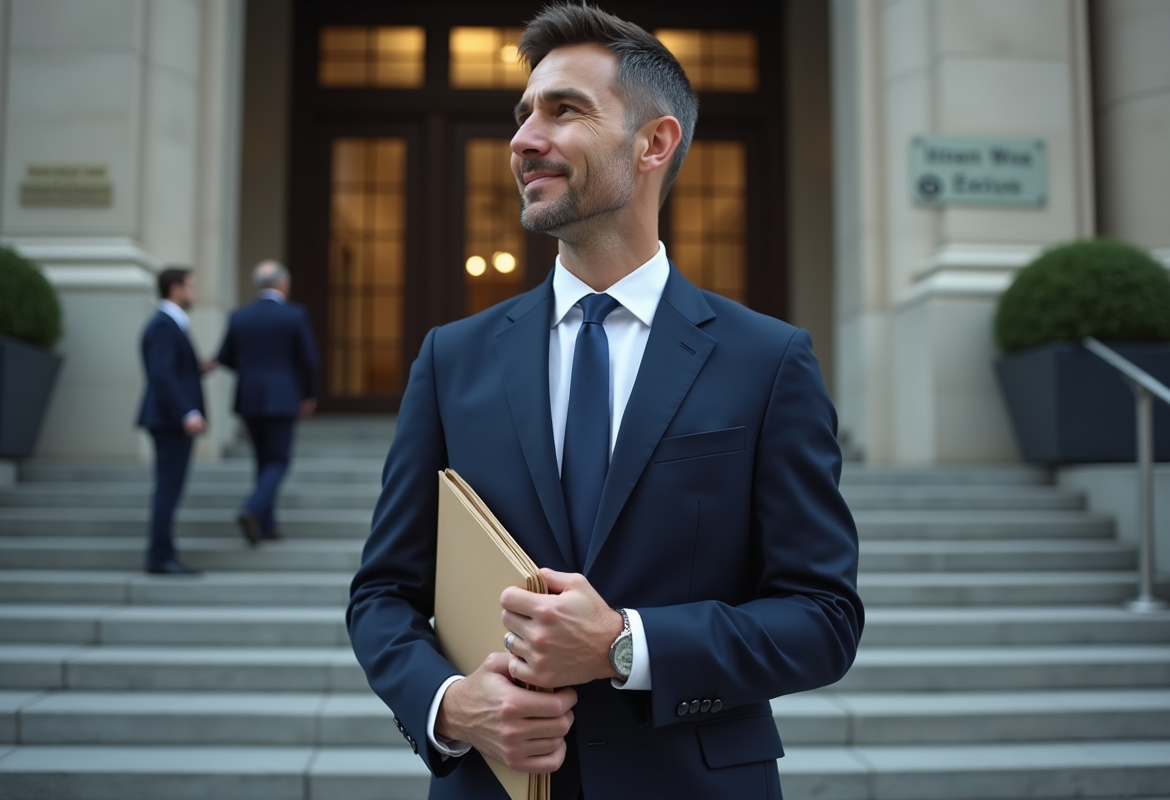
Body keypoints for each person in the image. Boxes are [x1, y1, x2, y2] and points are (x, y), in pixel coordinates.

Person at [347, 5, 863, 799]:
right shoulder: (452, 359)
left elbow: (823, 617)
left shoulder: (768, 361)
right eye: (523, 115)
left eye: (564, 110)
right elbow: (384, 595)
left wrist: (628, 645)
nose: (523, 140)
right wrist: (452, 707)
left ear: (655, 143)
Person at [214, 260, 320, 544]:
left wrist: (250, 373)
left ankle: (265, 524)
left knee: (262, 461)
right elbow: (309, 360)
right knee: (278, 461)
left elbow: (224, 356)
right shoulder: (295, 315)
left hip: (248, 396)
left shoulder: (239, 316)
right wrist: (309, 394)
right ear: (282, 284)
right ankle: (252, 509)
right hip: (283, 396)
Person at [137, 267, 209, 575]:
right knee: (168, 489)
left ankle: (163, 553)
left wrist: (198, 367)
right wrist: (187, 412)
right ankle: (160, 557)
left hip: (169, 420)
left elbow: (172, 369)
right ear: (175, 289)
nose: (194, 292)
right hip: (170, 422)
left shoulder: (171, 323)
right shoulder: (165, 325)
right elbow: (162, 374)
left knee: (170, 489)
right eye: (191, 286)